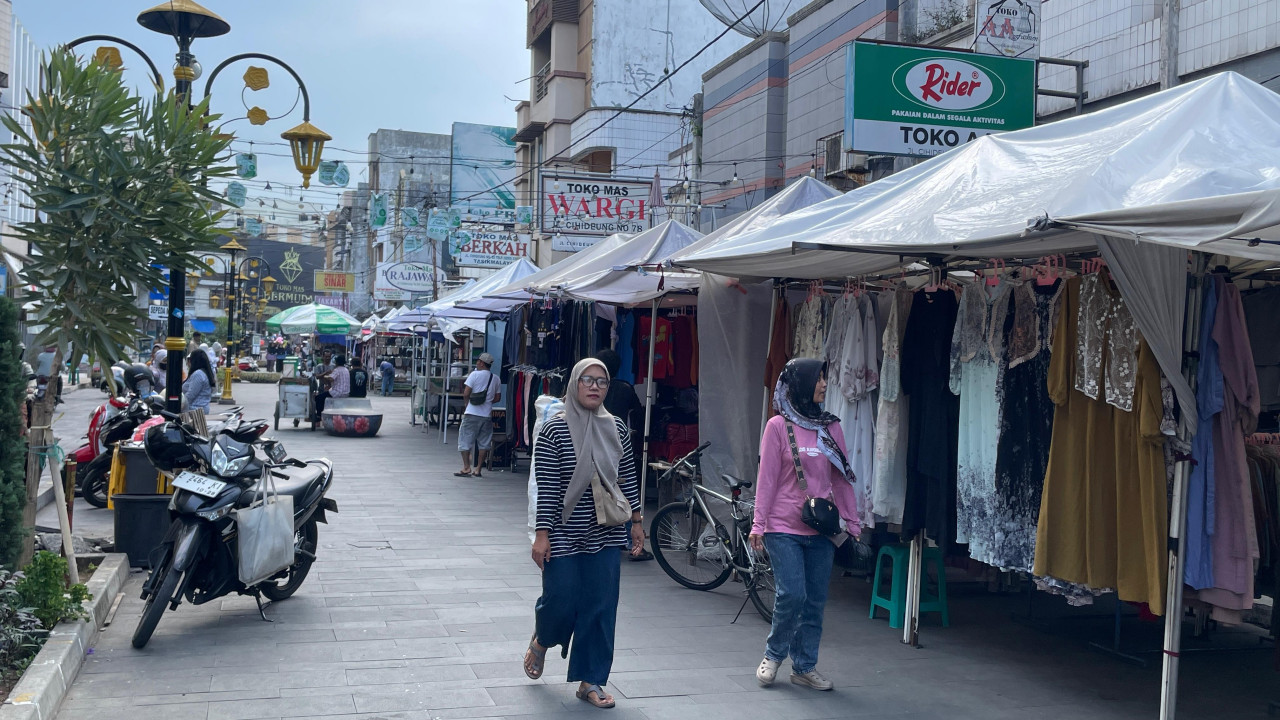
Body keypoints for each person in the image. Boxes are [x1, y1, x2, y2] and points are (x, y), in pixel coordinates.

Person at [522, 358, 642, 709]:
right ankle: (543, 639)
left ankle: (590, 680)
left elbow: (627, 476)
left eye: (601, 382)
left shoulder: (616, 428)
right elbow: (546, 488)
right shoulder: (554, 430)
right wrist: (541, 535)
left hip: (605, 532)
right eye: (587, 380)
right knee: (561, 599)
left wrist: (636, 520)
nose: (594, 387)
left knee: (601, 605)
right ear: (575, 383)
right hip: (562, 531)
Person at [749, 358, 860, 692]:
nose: (825, 384)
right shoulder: (777, 427)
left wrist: (852, 522)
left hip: (822, 529)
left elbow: (841, 480)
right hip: (783, 526)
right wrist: (759, 523)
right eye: (819, 378)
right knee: (791, 594)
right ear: (801, 383)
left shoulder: (831, 426)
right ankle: (773, 654)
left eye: (825, 378)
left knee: (814, 601)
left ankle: (805, 666)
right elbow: (766, 479)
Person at [595, 348, 652, 562]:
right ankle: (628, 540)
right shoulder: (625, 388)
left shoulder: (592, 387)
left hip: (594, 445)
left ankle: (613, 536)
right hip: (617, 445)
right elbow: (638, 413)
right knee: (624, 490)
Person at [457, 352, 501, 477]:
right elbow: (497, 398)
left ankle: (466, 467)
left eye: (478, 361)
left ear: (482, 363)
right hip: (486, 415)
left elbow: (466, 393)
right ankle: (478, 469)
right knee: (484, 442)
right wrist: (487, 401)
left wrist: (467, 405)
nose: (477, 363)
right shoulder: (496, 378)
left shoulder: (474, 375)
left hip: (471, 413)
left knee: (465, 440)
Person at [314, 354, 350, 420]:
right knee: (325, 394)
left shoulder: (337, 370)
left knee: (318, 398)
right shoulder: (346, 370)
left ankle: (319, 415)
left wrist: (325, 376)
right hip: (346, 392)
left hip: (338, 392)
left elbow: (331, 378)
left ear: (337, 362)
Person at [182, 348, 215, 412]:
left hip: (195, 411)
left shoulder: (198, 374)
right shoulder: (204, 372)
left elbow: (191, 395)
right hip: (200, 409)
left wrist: (181, 404)